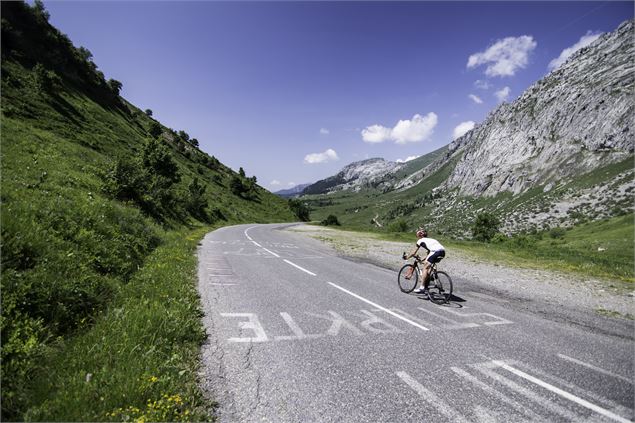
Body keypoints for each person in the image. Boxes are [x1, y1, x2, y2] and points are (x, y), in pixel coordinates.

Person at [404, 228, 446, 295]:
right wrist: (422, 259)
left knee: (425, 267)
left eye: (417, 235)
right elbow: (429, 253)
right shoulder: (431, 240)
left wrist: (407, 257)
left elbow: (413, 253)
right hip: (442, 252)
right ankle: (430, 281)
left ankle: (422, 287)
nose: (417, 236)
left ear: (419, 235)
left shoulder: (420, 240)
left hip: (435, 252)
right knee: (428, 266)